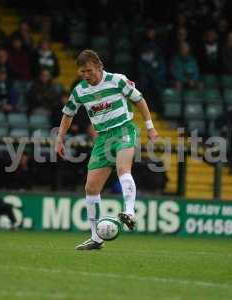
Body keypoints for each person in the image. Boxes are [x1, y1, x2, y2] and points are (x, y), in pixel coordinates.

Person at [55, 49, 158, 250]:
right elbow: (68, 114)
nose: (86, 75)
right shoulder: (80, 90)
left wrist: (150, 127)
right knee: (91, 187)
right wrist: (60, 137)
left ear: (99, 66)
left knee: (123, 169)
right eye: (82, 72)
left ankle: (129, 212)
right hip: (102, 138)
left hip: (124, 130)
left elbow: (139, 100)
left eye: (89, 71)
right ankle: (96, 238)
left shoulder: (117, 80)